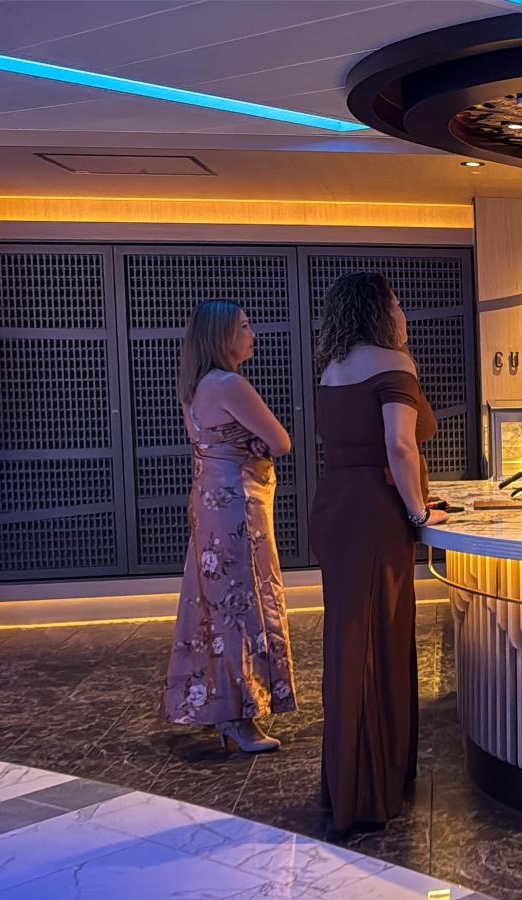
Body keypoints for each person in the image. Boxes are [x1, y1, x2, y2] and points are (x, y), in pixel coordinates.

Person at [310, 272, 448, 833]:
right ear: (378, 310)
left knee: (349, 642)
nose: (402, 310)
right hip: (374, 512)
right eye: (396, 301)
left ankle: (347, 780)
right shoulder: (394, 363)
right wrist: (418, 513)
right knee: (379, 639)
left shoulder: (332, 368)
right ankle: (369, 789)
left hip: (335, 508)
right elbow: (399, 445)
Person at [162, 300, 296, 753]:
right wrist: (257, 442)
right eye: (244, 326)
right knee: (244, 606)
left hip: (209, 507)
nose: (252, 334)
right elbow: (281, 441)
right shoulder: (230, 384)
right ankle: (240, 717)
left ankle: (221, 708)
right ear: (223, 336)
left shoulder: (195, 387)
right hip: (239, 508)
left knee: (214, 607)